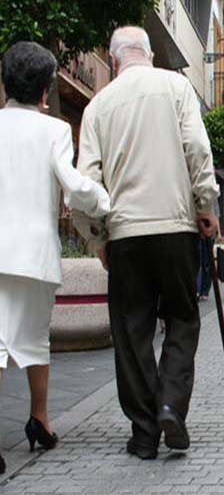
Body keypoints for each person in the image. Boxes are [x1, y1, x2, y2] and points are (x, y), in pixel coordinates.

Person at [74, 27, 219, 459]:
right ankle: (172, 402)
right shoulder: (176, 86)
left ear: (115, 60)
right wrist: (205, 202)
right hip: (175, 225)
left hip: (125, 233)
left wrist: (96, 236)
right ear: (151, 54)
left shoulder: (98, 105)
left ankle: (144, 431)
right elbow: (196, 147)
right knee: (183, 319)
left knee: (132, 331)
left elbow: (86, 182)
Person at [0, 42, 111, 468]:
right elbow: (74, 185)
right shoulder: (54, 131)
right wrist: (105, 202)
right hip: (33, 254)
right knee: (34, 339)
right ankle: (40, 419)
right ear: (46, 90)